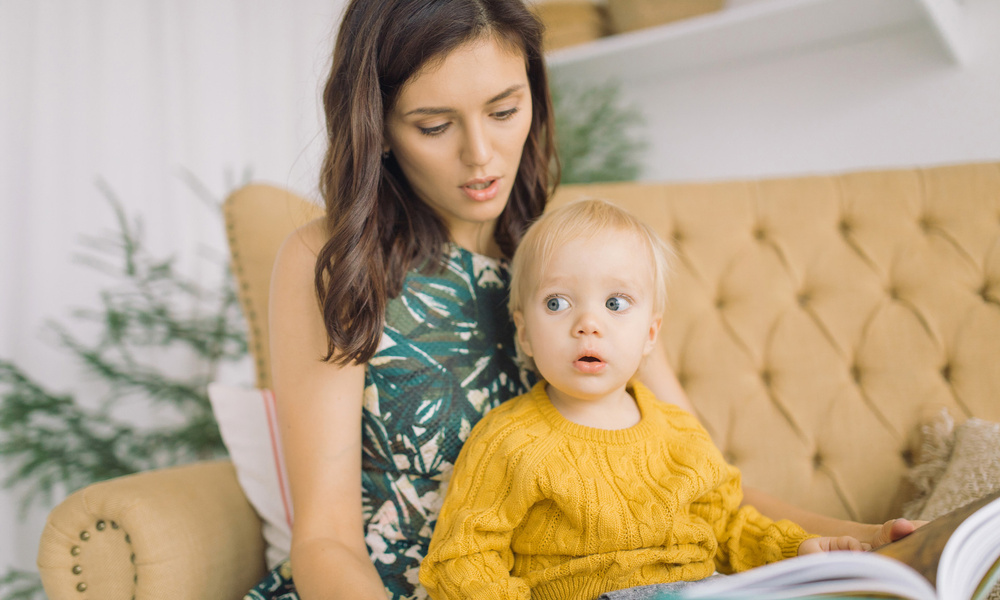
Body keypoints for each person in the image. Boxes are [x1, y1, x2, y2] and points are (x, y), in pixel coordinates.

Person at [247, 1, 917, 599]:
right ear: (379, 127)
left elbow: (704, 480)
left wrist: (872, 539)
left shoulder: (568, 260)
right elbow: (325, 540)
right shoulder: (332, 260)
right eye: (432, 126)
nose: (481, 156)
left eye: (505, 111)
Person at [418, 199, 867, 600]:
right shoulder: (508, 441)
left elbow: (729, 527)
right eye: (557, 303)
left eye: (615, 303)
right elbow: (464, 558)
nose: (588, 323)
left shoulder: (681, 434)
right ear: (524, 333)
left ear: (650, 333)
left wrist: (800, 549)